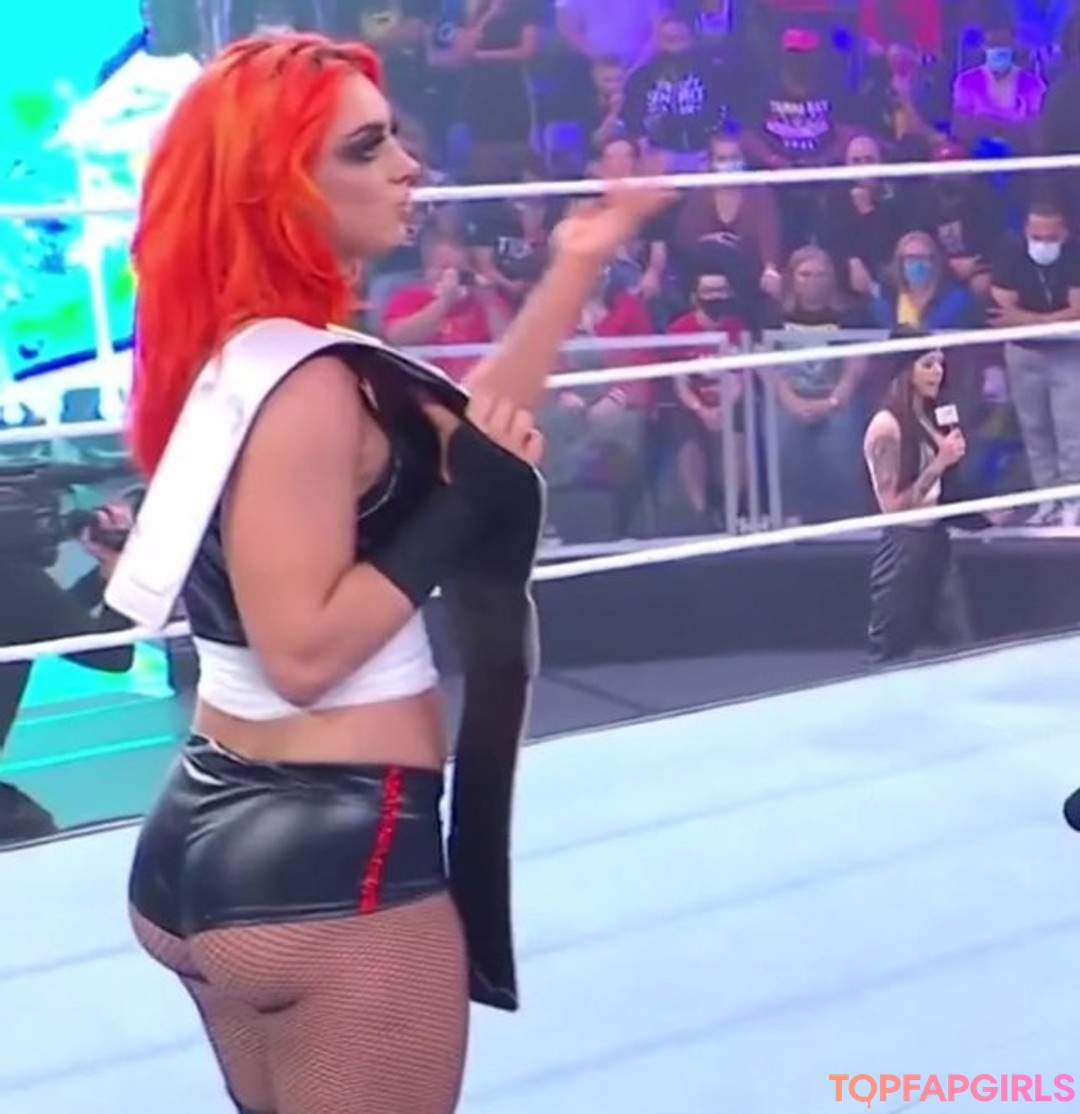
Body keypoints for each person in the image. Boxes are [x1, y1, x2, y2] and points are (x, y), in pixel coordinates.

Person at [108, 32, 669, 1114]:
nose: (409, 165)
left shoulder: (248, 352)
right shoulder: (307, 389)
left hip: (219, 832)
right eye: (366, 149)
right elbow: (305, 651)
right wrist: (459, 515)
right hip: (332, 869)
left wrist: (578, 261)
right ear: (279, 186)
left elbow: (466, 438)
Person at [862, 343, 971, 663]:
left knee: (960, 642)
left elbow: (943, 484)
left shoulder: (929, 415)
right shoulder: (886, 427)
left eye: (940, 364)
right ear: (906, 370)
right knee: (891, 648)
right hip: (904, 546)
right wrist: (940, 461)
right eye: (928, 364)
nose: (938, 371)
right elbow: (892, 507)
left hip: (936, 537)